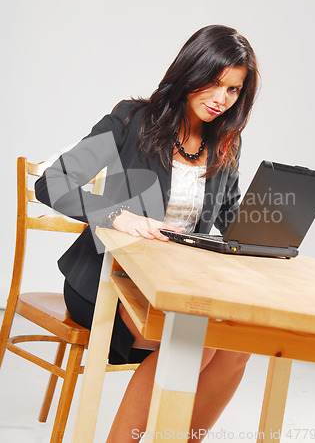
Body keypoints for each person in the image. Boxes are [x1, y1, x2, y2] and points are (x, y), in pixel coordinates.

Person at [35, 24, 259, 442]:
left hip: (172, 286)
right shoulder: (131, 120)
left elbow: (231, 225)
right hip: (106, 279)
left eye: (233, 91)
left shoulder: (226, 143)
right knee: (194, 341)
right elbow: (53, 183)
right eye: (214, 83)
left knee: (236, 347)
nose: (220, 100)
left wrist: (270, 231)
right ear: (190, 71)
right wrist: (118, 215)